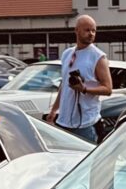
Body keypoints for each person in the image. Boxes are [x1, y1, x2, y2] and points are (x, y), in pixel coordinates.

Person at [46, 14, 112, 143]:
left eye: (93, 31)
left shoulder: (98, 57)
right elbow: (64, 85)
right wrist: (54, 110)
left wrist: (84, 89)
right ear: (76, 30)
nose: (91, 34)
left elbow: (108, 89)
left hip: (86, 123)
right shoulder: (67, 54)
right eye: (87, 30)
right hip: (64, 121)